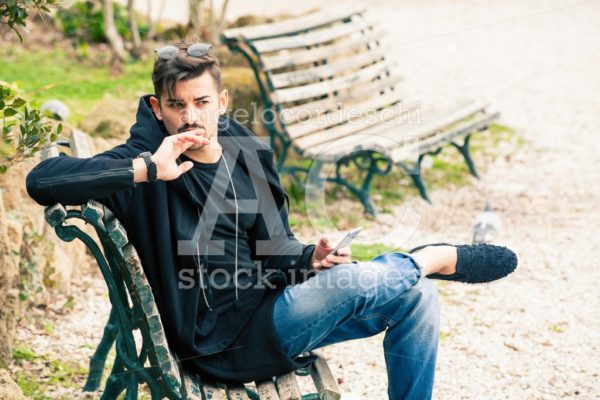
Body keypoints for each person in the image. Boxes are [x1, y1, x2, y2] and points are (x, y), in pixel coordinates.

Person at [25, 41, 518, 400]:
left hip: (274, 307)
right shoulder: (144, 161)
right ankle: (428, 257)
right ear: (158, 107)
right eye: (176, 106)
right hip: (221, 341)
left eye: (201, 103)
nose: (190, 118)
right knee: (406, 277)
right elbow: (43, 179)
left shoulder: (244, 151)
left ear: (221, 102)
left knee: (418, 295)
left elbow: (275, 249)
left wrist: (313, 257)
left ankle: (420, 268)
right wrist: (147, 169)